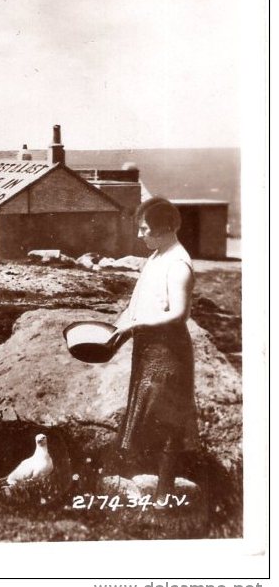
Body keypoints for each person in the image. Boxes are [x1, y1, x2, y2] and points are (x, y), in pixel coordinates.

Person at [109, 197, 199, 502]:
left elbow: (179, 314)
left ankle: (163, 494)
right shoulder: (157, 256)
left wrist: (136, 326)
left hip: (169, 353)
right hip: (147, 349)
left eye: (144, 229)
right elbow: (136, 303)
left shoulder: (178, 264)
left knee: (168, 421)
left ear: (163, 228)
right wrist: (116, 331)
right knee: (142, 412)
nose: (139, 235)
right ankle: (140, 486)